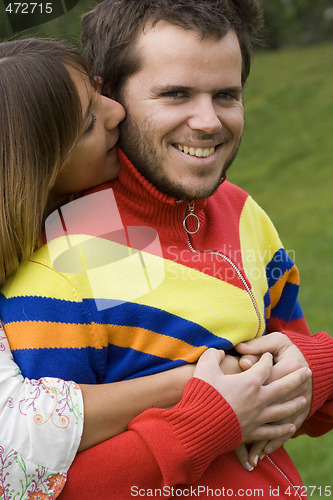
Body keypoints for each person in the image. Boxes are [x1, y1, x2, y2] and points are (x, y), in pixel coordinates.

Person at [1, 1, 333, 498]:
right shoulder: (73, 253)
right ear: (111, 91)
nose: (207, 122)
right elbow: (39, 481)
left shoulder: (241, 210)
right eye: (175, 93)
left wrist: (316, 369)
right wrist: (207, 419)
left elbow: (309, 403)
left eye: (226, 95)